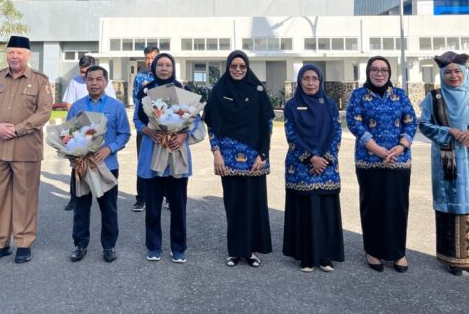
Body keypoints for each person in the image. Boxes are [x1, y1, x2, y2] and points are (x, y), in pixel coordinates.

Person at [0, 35, 53, 265]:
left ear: (28, 55)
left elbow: (44, 112)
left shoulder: (40, 81)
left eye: (19, 52)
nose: (14, 56)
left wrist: (17, 129)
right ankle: (0, 243)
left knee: (25, 197)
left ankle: (24, 242)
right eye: (10, 52)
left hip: (26, 150)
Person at [418, 51, 469, 277]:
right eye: (448, 72)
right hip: (447, 157)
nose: (453, 76)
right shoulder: (435, 98)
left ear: (464, 73)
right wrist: (449, 130)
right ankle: (452, 258)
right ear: (442, 74)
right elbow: (424, 125)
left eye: (457, 71)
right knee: (451, 201)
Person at [346, 56, 417, 273]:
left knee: (397, 207)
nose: (379, 73)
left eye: (384, 70)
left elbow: (411, 121)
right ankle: (373, 251)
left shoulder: (400, 95)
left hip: (398, 160)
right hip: (369, 160)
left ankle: (398, 252)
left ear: (389, 73)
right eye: (375, 70)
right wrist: (375, 148)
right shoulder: (358, 95)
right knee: (373, 206)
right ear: (368, 72)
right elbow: (354, 122)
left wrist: (401, 146)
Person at [203, 50, 273, 268]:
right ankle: (235, 251)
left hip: (255, 160)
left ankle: (250, 251)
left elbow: (266, 126)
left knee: (254, 206)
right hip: (228, 160)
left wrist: (263, 155)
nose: (238, 70)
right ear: (228, 67)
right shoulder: (219, 90)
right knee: (234, 206)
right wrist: (216, 153)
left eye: (242, 66)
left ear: (247, 67)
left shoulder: (257, 90)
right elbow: (212, 125)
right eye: (234, 66)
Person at [134, 53, 201, 263]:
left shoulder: (184, 91)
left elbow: (195, 119)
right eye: (160, 65)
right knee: (152, 205)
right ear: (153, 67)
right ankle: (153, 246)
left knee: (178, 204)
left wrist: (183, 135)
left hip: (176, 151)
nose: (164, 68)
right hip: (152, 149)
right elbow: (137, 118)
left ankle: (178, 247)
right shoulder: (145, 91)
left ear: (173, 68)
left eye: (168, 65)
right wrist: (147, 130)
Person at [282, 64, 344, 273]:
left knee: (325, 210)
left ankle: (325, 256)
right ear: (300, 81)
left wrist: (324, 159)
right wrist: (310, 158)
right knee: (304, 211)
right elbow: (291, 135)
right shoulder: (291, 105)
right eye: (306, 78)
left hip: (326, 166)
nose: (310, 83)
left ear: (320, 81)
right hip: (301, 167)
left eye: (314, 79)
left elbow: (336, 132)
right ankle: (306, 256)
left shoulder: (330, 104)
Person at [68, 65, 131, 263]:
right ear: (85, 82)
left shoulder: (116, 107)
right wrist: (71, 153)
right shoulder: (77, 107)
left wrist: (109, 148)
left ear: (105, 82)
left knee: (109, 209)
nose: (94, 83)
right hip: (82, 166)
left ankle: (109, 246)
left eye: (98, 79)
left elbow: (124, 134)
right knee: (81, 208)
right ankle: (80, 245)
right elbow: (67, 135)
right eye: (90, 79)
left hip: (107, 165)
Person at [62, 55, 117, 211]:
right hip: (80, 130)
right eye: (82, 72)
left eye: (87, 72)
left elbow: (111, 103)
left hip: (100, 130)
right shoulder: (74, 82)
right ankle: (74, 198)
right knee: (77, 169)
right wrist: (78, 123)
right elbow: (69, 104)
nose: (84, 76)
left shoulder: (106, 82)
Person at [131, 45, 159, 212]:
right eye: (147, 58)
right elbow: (136, 102)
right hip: (144, 126)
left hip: (164, 127)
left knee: (164, 159)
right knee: (143, 160)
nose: (149, 62)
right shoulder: (140, 77)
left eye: (152, 58)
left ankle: (166, 197)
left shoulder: (166, 75)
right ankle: (141, 198)